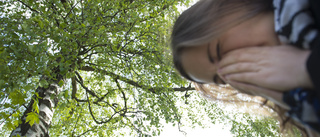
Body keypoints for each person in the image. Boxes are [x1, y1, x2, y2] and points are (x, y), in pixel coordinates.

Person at [170, 0, 320, 136]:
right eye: (222, 79)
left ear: (230, 7)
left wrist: (306, 67)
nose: (235, 69)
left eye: (218, 51)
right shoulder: (306, 109)